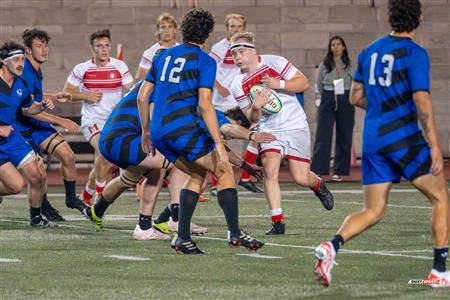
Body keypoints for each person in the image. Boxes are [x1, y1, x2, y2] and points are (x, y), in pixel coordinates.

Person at [313, 0, 450, 288]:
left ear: (390, 17)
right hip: (403, 137)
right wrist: (435, 145)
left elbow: (355, 97)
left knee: (374, 210)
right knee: (441, 199)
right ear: (419, 17)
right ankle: (440, 272)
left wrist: (382, 107)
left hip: (374, 138)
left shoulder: (368, 51)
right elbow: (421, 101)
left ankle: (332, 246)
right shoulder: (415, 53)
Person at [137, 8, 264, 254]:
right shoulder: (205, 60)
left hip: (159, 131)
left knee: (197, 174)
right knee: (224, 169)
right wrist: (218, 143)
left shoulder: (162, 56)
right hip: (182, 128)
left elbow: (143, 97)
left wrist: (146, 131)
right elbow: (205, 104)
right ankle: (235, 232)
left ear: (183, 31)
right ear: (206, 37)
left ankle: (182, 238)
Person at [229, 32, 334, 235]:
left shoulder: (275, 62)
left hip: (294, 125)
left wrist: (280, 84)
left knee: (301, 178)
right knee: (269, 171)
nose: (237, 57)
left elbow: (303, 83)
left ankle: (318, 184)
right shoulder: (237, 83)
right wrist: (256, 108)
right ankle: (278, 221)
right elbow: (252, 118)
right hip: (270, 130)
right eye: (234, 54)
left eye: (241, 52)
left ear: (252, 51)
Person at [15, 28, 86, 221]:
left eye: (45, 45)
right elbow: (27, 108)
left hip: (37, 123)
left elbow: (34, 98)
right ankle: (42, 208)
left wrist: (53, 96)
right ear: (28, 50)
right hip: (23, 128)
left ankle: (71, 199)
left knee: (68, 155)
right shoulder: (25, 72)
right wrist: (61, 120)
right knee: (38, 174)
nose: (44, 49)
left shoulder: (36, 70)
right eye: (39, 46)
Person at [64, 29, 134, 206]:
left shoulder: (119, 66)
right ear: (92, 48)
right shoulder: (82, 68)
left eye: (107, 45)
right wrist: (85, 96)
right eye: (99, 46)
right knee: (104, 152)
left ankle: (87, 195)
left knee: (102, 160)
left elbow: (132, 90)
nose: (104, 49)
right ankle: (100, 196)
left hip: (114, 122)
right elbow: (67, 93)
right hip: (92, 121)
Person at [0, 41, 57, 228]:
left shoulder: (21, 83)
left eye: (23, 59)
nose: (21, 63)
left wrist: (39, 106)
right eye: (16, 59)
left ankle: (36, 217)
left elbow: (27, 108)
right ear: (3, 62)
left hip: (12, 138)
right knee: (16, 186)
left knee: (36, 176)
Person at [209, 13, 262, 194]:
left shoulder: (247, 48)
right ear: (227, 28)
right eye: (232, 26)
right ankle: (217, 183)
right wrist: (219, 87)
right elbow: (209, 69)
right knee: (219, 140)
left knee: (256, 134)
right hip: (222, 101)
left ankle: (245, 178)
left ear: (244, 28)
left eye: (238, 27)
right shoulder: (219, 47)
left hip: (241, 100)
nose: (235, 30)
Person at [311, 36, 355, 182]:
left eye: (338, 44)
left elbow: (354, 81)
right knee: (323, 134)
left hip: (345, 96)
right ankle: (318, 169)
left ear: (343, 47)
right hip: (328, 96)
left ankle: (339, 171)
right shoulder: (325, 63)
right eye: (333, 45)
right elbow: (319, 84)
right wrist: (321, 100)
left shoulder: (349, 64)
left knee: (344, 134)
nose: (335, 47)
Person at [135, 12, 179, 81]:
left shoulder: (183, 50)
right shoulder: (150, 53)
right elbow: (139, 80)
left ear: (175, 30)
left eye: (170, 26)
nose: (167, 30)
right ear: (158, 30)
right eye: (163, 27)